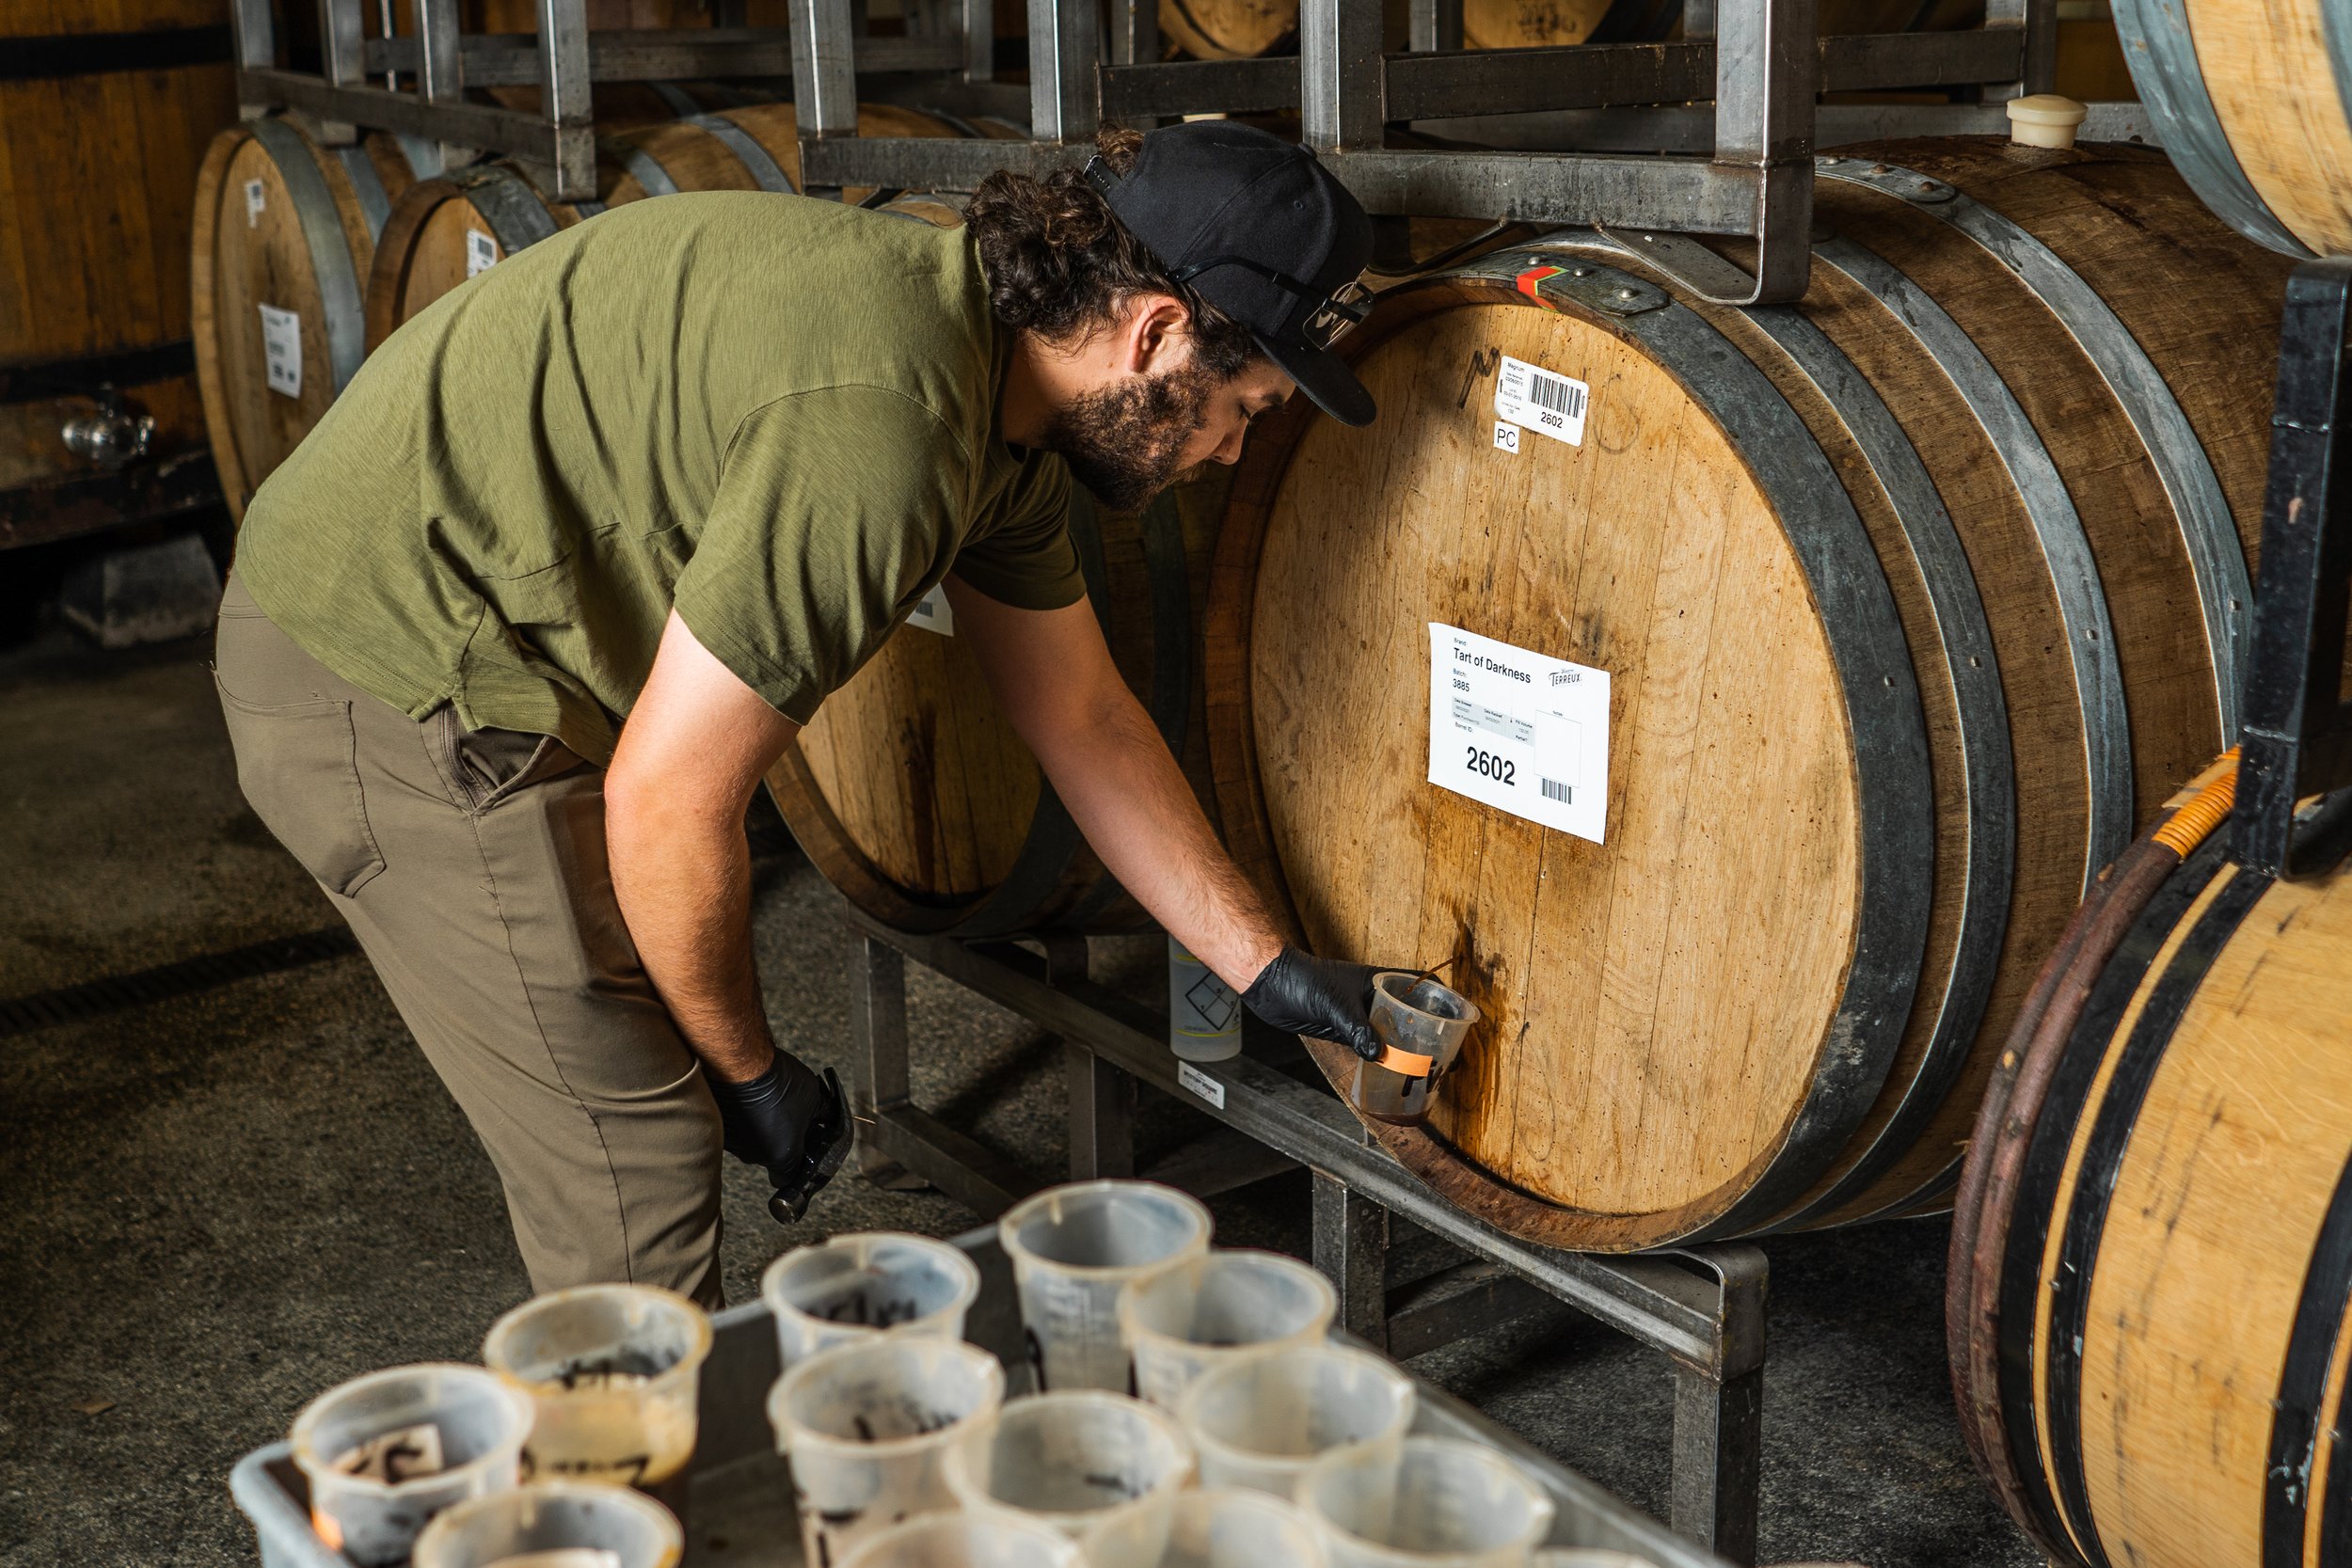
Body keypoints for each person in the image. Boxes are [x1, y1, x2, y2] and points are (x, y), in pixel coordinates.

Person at [213, 119, 1405, 1307]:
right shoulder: (884, 431)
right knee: (638, 1163)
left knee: (642, 1060)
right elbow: (669, 802)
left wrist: (1262, 966)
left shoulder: (1002, 402)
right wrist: (751, 1074)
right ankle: (620, 1485)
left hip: (476, 631)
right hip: (380, 668)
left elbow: (1082, 712)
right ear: (1155, 330)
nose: (1238, 451)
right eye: (1241, 405)